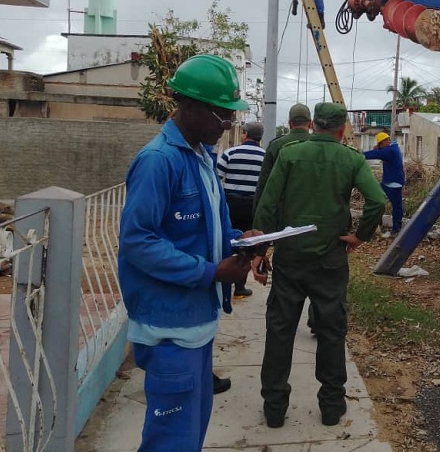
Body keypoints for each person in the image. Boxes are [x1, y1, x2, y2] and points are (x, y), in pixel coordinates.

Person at [118, 54, 259, 451]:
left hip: (196, 326)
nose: (229, 124)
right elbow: (137, 241)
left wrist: (241, 239)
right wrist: (212, 273)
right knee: (172, 440)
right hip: (169, 330)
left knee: (190, 432)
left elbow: (209, 227)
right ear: (191, 106)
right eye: (222, 115)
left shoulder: (200, 157)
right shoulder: (159, 162)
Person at [252, 102, 386, 428]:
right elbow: (377, 201)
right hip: (330, 261)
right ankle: (330, 405)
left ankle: (273, 408)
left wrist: (260, 250)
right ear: (341, 130)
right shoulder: (351, 159)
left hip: (290, 258)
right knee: (330, 331)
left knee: (280, 330)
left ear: (313, 126)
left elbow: (267, 204)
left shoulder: (288, 154)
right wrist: (359, 237)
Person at [216, 121, 266, 298]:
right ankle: (239, 287)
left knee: (228, 240)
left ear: (245, 134)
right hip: (253, 206)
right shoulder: (265, 157)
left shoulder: (230, 153)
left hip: (231, 204)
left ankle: (222, 283)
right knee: (247, 245)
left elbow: (216, 178)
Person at [252, 103, 312, 211]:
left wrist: (257, 212)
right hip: (313, 210)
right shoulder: (319, 145)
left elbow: (263, 184)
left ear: (289, 124)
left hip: (282, 213)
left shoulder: (276, 145)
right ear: (310, 124)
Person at [363, 131, 405, 235]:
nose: (381, 146)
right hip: (395, 181)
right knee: (396, 205)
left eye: (381, 144)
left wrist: (356, 154)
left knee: (377, 199)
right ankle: (395, 227)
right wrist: (380, 148)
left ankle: (393, 228)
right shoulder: (394, 147)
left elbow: (370, 155)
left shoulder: (389, 151)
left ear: (385, 142)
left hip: (391, 183)